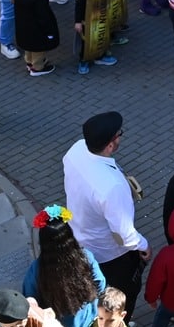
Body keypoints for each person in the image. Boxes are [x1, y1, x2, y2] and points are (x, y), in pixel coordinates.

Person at [65, 112, 151, 315]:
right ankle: (118, 325)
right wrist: (143, 245)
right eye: (119, 134)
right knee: (124, 294)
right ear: (111, 145)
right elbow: (123, 233)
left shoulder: (76, 149)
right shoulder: (112, 186)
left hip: (80, 237)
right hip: (111, 254)